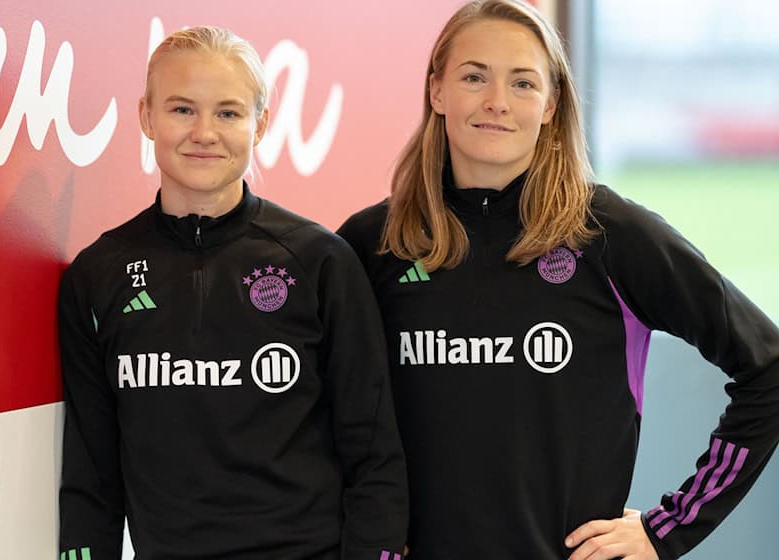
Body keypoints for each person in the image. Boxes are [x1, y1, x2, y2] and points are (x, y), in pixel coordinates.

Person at [336, 1, 779, 558]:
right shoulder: (371, 242)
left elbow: (768, 365)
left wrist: (669, 528)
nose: (496, 101)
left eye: (523, 82)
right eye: (474, 76)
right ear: (437, 91)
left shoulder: (609, 234)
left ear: (550, 104)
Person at [57, 25, 408, 560]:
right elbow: (91, 472)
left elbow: (374, 453)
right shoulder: (98, 274)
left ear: (260, 124)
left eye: (228, 112)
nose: (204, 132)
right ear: (146, 117)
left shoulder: (319, 262)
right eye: (181, 110)